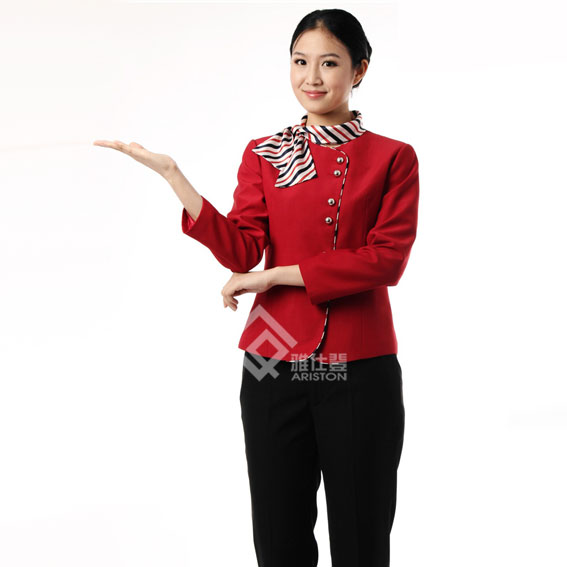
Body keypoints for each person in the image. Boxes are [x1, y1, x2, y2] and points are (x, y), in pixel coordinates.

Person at [93, 8, 419, 567]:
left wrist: (275, 276)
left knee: (362, 539)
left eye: (329, 63)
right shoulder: (265, 153)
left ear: (359, 70)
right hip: (270, 360)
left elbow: (385, 260)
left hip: (359, 362)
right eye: (299, 61)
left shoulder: (392, 157)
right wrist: (175, 177)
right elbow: (242, 250)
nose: (311, 77)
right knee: (277, 538)